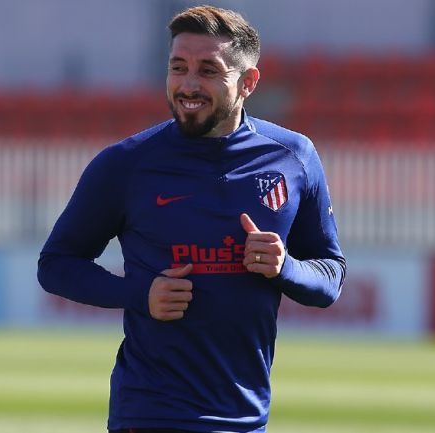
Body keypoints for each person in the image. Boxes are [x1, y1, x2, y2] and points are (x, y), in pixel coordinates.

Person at [37, 5, 346, 433]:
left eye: (208, 70)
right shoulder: (126, 164)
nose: (188, 84)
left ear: (248, 82)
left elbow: (330, 278)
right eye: (178, 67)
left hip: (246, 418)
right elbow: (56, 265)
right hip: (149, 413)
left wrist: (285, 268)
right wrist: (140, 294)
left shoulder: (293, 157)